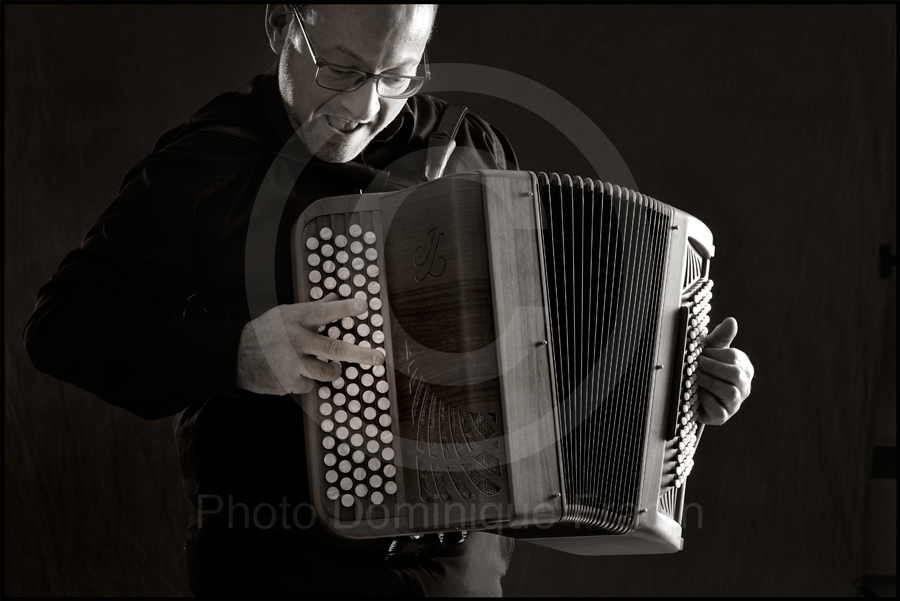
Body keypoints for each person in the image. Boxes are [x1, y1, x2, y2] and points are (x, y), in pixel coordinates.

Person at [23, 4, 754, 597]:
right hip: (280, 564)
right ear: (282, 25)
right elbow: (62, 325)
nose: (365, 104)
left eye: (398, 75)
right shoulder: (209, 161)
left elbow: (544, 349)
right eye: (340, 68)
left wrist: (678, 384)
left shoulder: (472, 147)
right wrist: (239, 354)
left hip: (459, 571)